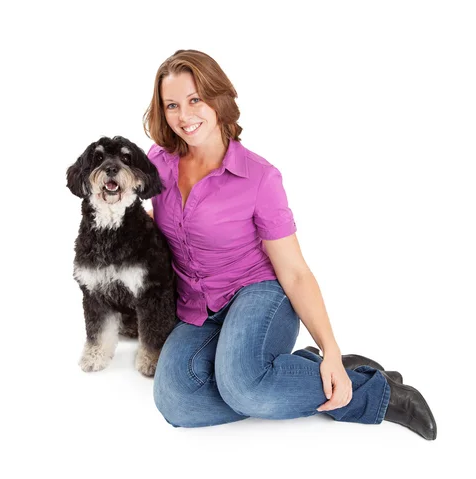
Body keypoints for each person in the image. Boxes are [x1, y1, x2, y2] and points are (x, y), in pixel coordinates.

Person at [142, 49, 437, 440]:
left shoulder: (259, 177)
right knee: (176, 401)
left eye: (195, 99)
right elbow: (156, 227)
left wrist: (329, 347)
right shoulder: (157, 163)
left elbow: (295, 273)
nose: (184, 115)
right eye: (172, 105)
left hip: (260, 293)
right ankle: (299, 373)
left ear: (218, 98)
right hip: (197, 306)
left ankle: (374, 393)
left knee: (244, 386)